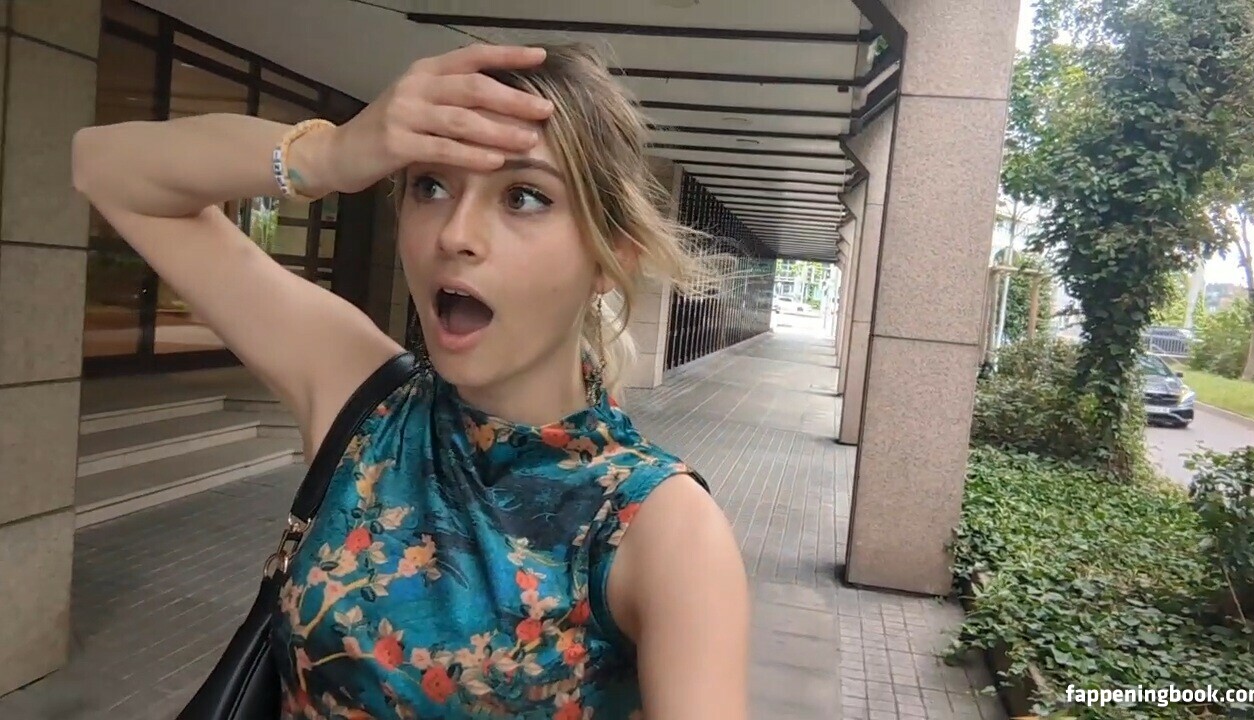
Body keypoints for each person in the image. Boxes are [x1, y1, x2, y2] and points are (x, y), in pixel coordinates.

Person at [72, 43, 750, 719]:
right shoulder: (366, 402)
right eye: (431, 186)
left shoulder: (662, 532)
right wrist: (328, 154)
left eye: (523, 196)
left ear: (611, 257)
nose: (455, 233)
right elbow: (102, 165)